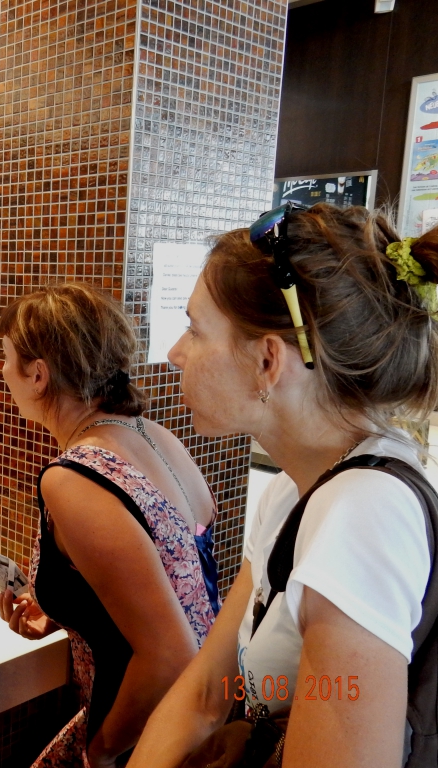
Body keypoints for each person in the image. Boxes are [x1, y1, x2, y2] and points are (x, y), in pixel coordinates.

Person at [129, 203, 438, 768]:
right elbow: (209, 691)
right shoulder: (293, 491)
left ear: (268, 361)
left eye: (195, 329)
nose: (175, 353)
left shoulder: (362, 511)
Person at [0, 283, 218, 768]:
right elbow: (172, 574)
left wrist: (99, 751)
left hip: (150, 731)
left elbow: (169, 655)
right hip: (207, 713)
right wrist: (67, 611)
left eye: (7, 358)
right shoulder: (156, 437)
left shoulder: (74, 478)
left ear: (38, 375)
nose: (2, 371)